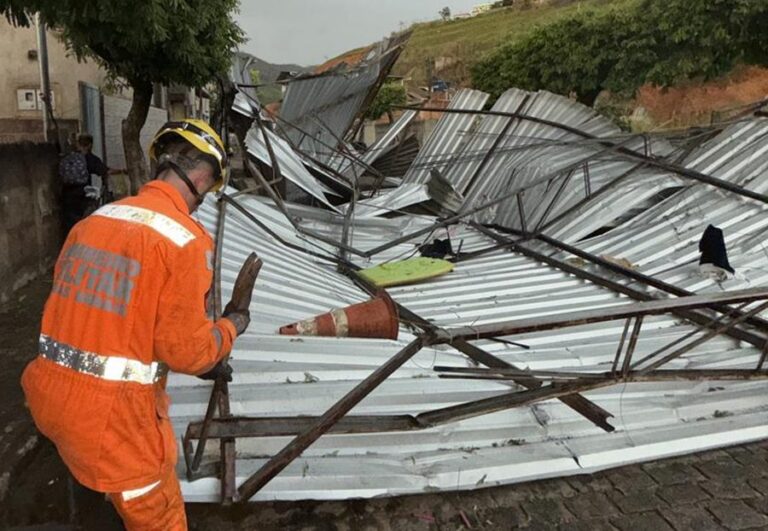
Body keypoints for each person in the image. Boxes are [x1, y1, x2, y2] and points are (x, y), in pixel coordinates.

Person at [22, 119, 254, 530]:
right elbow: (188, 352)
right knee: (160, 518)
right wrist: (232, 325)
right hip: (114, 426)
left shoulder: (92, 222)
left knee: (93, 499)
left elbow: (103, 311)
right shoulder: (184, 240)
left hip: (49, 399)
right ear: (205, 177)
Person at [60, 134, 125, 231]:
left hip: (66, 194)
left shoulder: (69, 156)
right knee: (82, 223)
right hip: (82, 195)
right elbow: (105, 170)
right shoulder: (90, 158)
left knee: (69, 224)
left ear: (78, 143)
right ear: (90, 145)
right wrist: (122, 171)